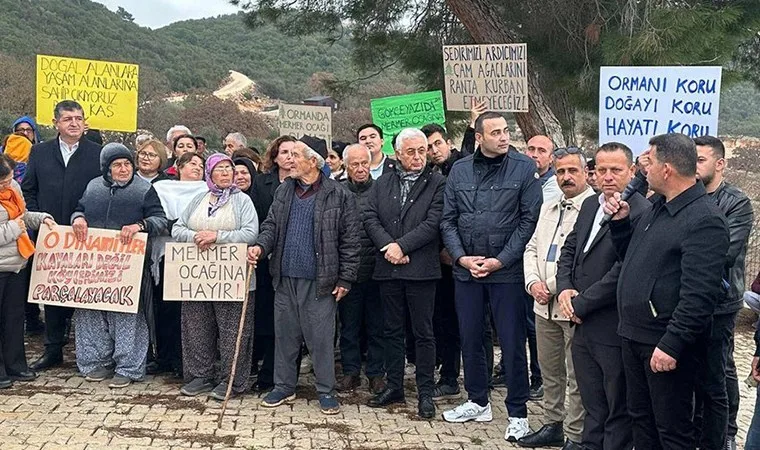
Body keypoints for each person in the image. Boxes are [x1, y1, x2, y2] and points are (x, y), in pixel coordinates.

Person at [603, 133, 729, 449]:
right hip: (634, 336)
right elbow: (632, 262)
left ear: (668, 169)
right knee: (641, 421)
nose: (644, 167)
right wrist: (620, 225)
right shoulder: (657, 208)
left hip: (663, 346)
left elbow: (700, 295)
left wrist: (672, 344)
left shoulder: (705, 219)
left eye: (650, 161)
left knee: (672, 431)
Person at [440, 112, 542, 441]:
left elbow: (529, 221)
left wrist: (500, 260)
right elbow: (448, 220)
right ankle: (477, 400)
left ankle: (518, 412)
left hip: (506, 273)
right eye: (495, 132)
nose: (504, 136)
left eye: (506, 130)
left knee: (512, 343)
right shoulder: (459, 169)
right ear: (479, 137)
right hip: (468, 271)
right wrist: (461, 257)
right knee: (471, 337)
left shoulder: (524, 168)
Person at [247, 140, 360, 415]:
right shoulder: (284, 190)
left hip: (320, 280)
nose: (290, 160)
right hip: (285, 277)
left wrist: (345, 278)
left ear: (313, 162)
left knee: (320, 338)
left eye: (296, 155)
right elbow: (271, 225)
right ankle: (284, 386)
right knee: (285, 335)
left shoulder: (338, 194)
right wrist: (261, 247)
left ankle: (326, 390)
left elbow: (351, 240)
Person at [556, 142, 651, 450]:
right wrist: (564, 288)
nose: (608, 177)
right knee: (591, 400)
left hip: (611, 324)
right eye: (602, 170)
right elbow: (571, 249)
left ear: (632, 171)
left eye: (616, 170)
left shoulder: (642, 213)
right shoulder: (589, 205)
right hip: (581, 323)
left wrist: (581, 303)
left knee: (616, 406)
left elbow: (624, 270)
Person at [363, 128, 446, 419]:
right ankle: (394, 385)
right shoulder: (383, 182)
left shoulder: (437, 183)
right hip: (388, 267)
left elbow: (433, 222)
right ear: (397, 153)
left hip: (421, 270)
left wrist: (402, 245)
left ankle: (425, 392)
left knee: (423, 333)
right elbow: (370, 216)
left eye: (421, 150)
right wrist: (389, 246)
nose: (417, 156)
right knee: (392, 331)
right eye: (410, 151)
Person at [70, 143, 168, 388]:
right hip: (92, 265)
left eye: (127, 164)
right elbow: (78, 209)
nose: (123, 169)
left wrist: (140, 225)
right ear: (107, 168)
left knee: (127, 316)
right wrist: (78, 218)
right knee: (90, 313)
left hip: (129, 266)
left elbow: (161, 220)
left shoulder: (144, 189)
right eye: (117, 165)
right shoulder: (93, 187)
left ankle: (128, 366)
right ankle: (96, 362)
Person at [517, 147, 595, 450]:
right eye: (561, 171)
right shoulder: (549, 206)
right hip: (542, 306)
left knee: (576, 376)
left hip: (570, 305)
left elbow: (582, 260)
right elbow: (532, 248)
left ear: (585, 173)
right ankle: (552, 424)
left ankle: (575, 435)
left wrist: (550, 284)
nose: (566, 177)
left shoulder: (594, 208)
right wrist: (533, 283)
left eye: (572, 171)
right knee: (550, 371)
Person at [22, 100, 102, 371]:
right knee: (53, 290)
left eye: (79, 118)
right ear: (56, 123)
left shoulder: (97, 154)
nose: (74, 123)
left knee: (86, 292)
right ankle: (53, 349)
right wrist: (37, 218)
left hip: (86, 235)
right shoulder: (39, 152)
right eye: (68, 119)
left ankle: (89, 352)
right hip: (50, 234)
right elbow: (28, 190)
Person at [172, 154, 258, 400]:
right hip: (198, 278)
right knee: (196, 326)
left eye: (228, 169)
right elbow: (177, 228)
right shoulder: (199, 197)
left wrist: (217, 236)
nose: (225, 174)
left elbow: (251, 232)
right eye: (219, 169)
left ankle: (232, 380)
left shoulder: (243, 201)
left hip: (233, 277)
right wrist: (196, 237)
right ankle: (200, 375)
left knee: (233, 331)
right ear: (209, 173)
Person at [692, 136, 753, 450]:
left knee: (720, 369)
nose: (694, 165)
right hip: (688, 298)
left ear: (720, 163)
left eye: (701, 159)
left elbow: (723, 253)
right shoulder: (688, 196)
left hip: (720, 301)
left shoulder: (736, 202)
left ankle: (726, 431)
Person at [148, 153, 208, 376]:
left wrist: (178, 226)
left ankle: (186, 360)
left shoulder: (208, 191)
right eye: (192, 164)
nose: (197, 168)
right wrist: (179, 227)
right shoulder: (163, 188)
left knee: (191, 311)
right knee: (166, 309)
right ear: (179, 167)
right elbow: (156, 216)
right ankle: (164, 356)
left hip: (197, 257)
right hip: (166, 254)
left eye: (201, 166)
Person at [419, 123, 466, 399]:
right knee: (443, 320)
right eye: (428, 148)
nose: (434, 151)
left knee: (470, 323)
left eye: (438, 144)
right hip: (436, 260)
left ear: (448, 142)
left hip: (460, 258)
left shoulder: (462, 167)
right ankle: (448, 375)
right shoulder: (428, 175)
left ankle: (469, 379)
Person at [0, 154, 55, 389]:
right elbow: (16, 224)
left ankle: (16, 364)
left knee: (14, 319)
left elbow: (23, 217)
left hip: (17, 263)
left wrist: (41, 219)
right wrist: (15, 228)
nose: (8, 183)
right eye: (3, 181)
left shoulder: (14, 189)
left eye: (10, 178)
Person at [336, 144, 386, 395]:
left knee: (378, 327)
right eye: (354, 164)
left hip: (377, 271)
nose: (360, 169)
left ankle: (376, 374)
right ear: (346, 166)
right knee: (349, 327)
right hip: (349, 273)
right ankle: (351, 371)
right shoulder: (338, 192)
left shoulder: (382, 190)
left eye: (364, 163)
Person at [249, 135, 295, 393]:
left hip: (295, 260)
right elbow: (257, 218)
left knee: (290, 321)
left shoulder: (305, 182)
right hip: (266, 260)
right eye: (284, 152)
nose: (289, 156)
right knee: (267, 318)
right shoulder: (261, 183)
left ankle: (287, 375)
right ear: (275, 157)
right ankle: (267, 374)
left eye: (293, 152)